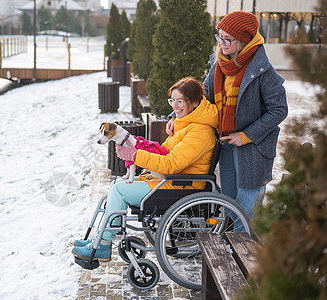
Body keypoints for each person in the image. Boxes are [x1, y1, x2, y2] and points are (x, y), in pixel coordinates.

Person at [72, 77, 218, 261]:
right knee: (118, 183)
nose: (175, 106)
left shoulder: (199, 132)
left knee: (119, 189)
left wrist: (135, 155)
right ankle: (100, 238)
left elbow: (171, 164)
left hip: (180, 186)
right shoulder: (186, 125)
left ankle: (103, 243)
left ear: (195, 102)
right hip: (169, 181)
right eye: (172, 100)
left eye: (180, 101)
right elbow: (163, 152)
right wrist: (144, 150)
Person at [166, 11, 288, 218]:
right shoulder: (219, 64)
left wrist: (246, 135)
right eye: (219, 37)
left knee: (247, 207)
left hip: (252, 148)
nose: (222, 42)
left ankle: (247, 249)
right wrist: (176, 115)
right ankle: (232, 248)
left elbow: (279, 110)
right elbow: (200, 96)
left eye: (227, 38)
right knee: (229, 202)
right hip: (225, 143)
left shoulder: (263, 71)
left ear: (244, 40)